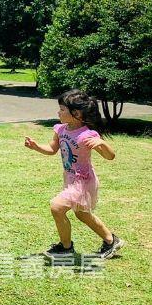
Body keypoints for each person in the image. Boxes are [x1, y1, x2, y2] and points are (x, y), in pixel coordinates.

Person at [24, 89, 124, 261]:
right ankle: (111, 240)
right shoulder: (61, 129)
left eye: (62, 109)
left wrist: (101, 143)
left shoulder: (87, 135)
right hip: (70, 179)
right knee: (82, 214)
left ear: (76, 113)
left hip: (84, 182)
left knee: (56, 207)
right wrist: (36, 146)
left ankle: (66, 247)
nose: (58, 112)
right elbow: (52, 149)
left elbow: (110, 156)